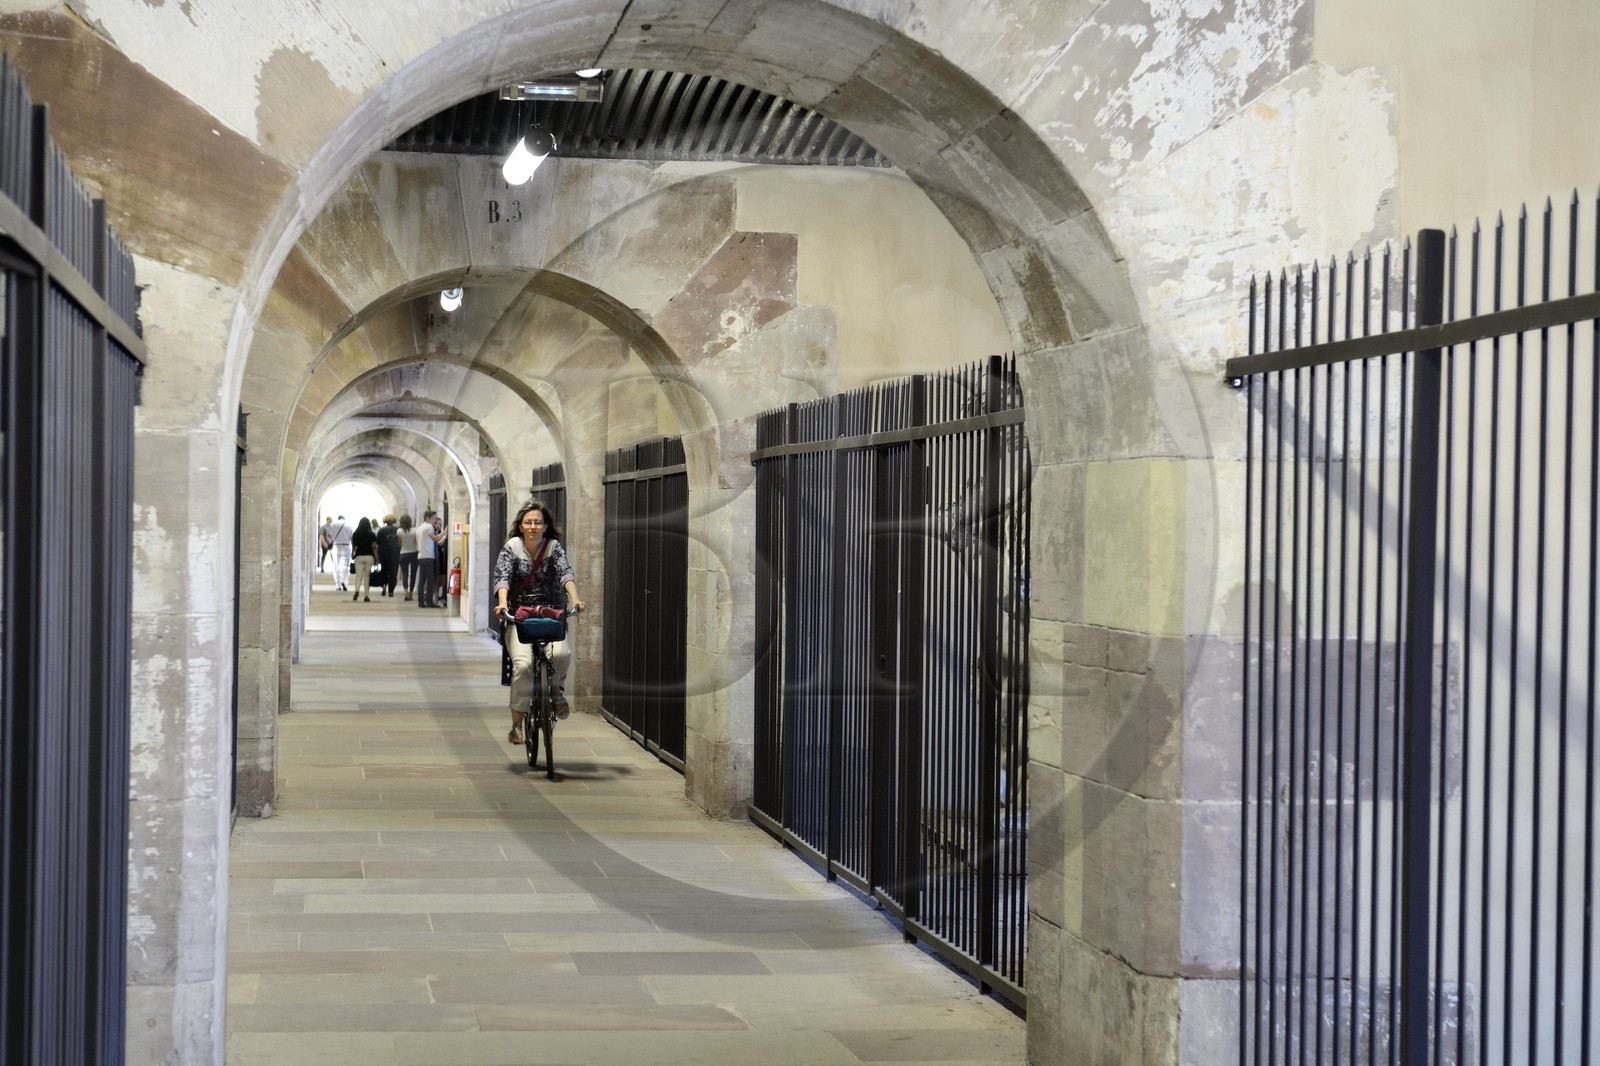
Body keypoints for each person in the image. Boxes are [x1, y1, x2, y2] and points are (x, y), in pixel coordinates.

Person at [493, 501, 585, 744]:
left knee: (562, 654)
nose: (533, 526)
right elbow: (502, 577)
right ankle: (516, 726)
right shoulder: (512, 547)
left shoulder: (553, 547)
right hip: (520, 618)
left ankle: (556, 694)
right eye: (528, 522)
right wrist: (503, 603)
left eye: (537, 522)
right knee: (523, 666)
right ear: (521, 526)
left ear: (545, 526)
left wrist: (574, 598)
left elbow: (566, 573)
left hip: (550, 614)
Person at [416, 510, 442, 608]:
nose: (435, 520)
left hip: (421, 556)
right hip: (428, 557)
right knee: (430, 580)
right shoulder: (429, 527)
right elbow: (435, 538)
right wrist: (444, 533)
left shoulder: (420, 528)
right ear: (428, 518)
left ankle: (420, 601)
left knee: (422, 580)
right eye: (434, 518)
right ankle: (429, 602)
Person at [349, 517, 379, 601]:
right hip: (369, 556)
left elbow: (354, 547)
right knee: (367, 576)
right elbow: (374, 547)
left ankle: (357, 590)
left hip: (359, 556)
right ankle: (366, 595)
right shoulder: (372, 534)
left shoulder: (356, 534)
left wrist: (352, 555)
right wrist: (377, 557)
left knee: (358, 575)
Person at [376, 514, 400, 597]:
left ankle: (384, 585)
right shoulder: (397, 530)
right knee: (393, 572)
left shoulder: (381, 530)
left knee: (384, 571)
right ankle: (391, 591)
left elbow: (377, 542)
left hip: (383, 553)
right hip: (395, 553)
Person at [396, 514, 419, 601]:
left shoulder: (399, 531)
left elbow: (399, 544)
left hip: (403, 553)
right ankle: (411, 593)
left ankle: (405, 591)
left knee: (405, 573)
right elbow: (416, 542)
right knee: (413, 574)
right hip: (413, 553)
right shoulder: (414, 530)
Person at [330, 515, 353, 591]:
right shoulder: (349, 526)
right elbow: (351, 538)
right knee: (345, 566)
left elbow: (329, 535)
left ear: (338, 518)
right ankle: (344, 582)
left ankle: (338, 584)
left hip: (336, 546)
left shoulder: (334, 525)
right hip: (346, 546)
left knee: (336, 565)